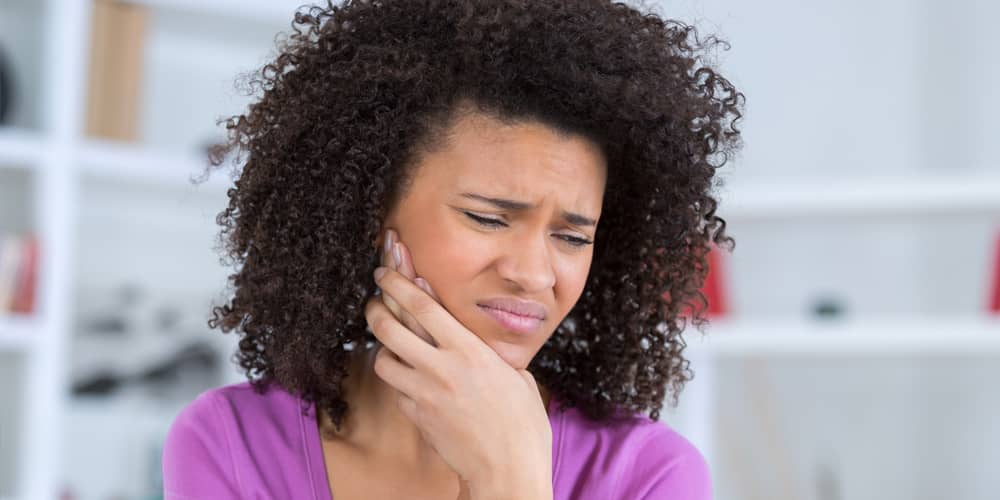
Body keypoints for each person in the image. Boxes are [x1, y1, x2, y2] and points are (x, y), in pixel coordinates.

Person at [162, 0, 743, 498]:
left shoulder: (647, 474)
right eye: (487, 219)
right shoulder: (232, 445)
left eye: (571, 237)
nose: (533, 275)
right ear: (371, 212)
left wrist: (509, 480)